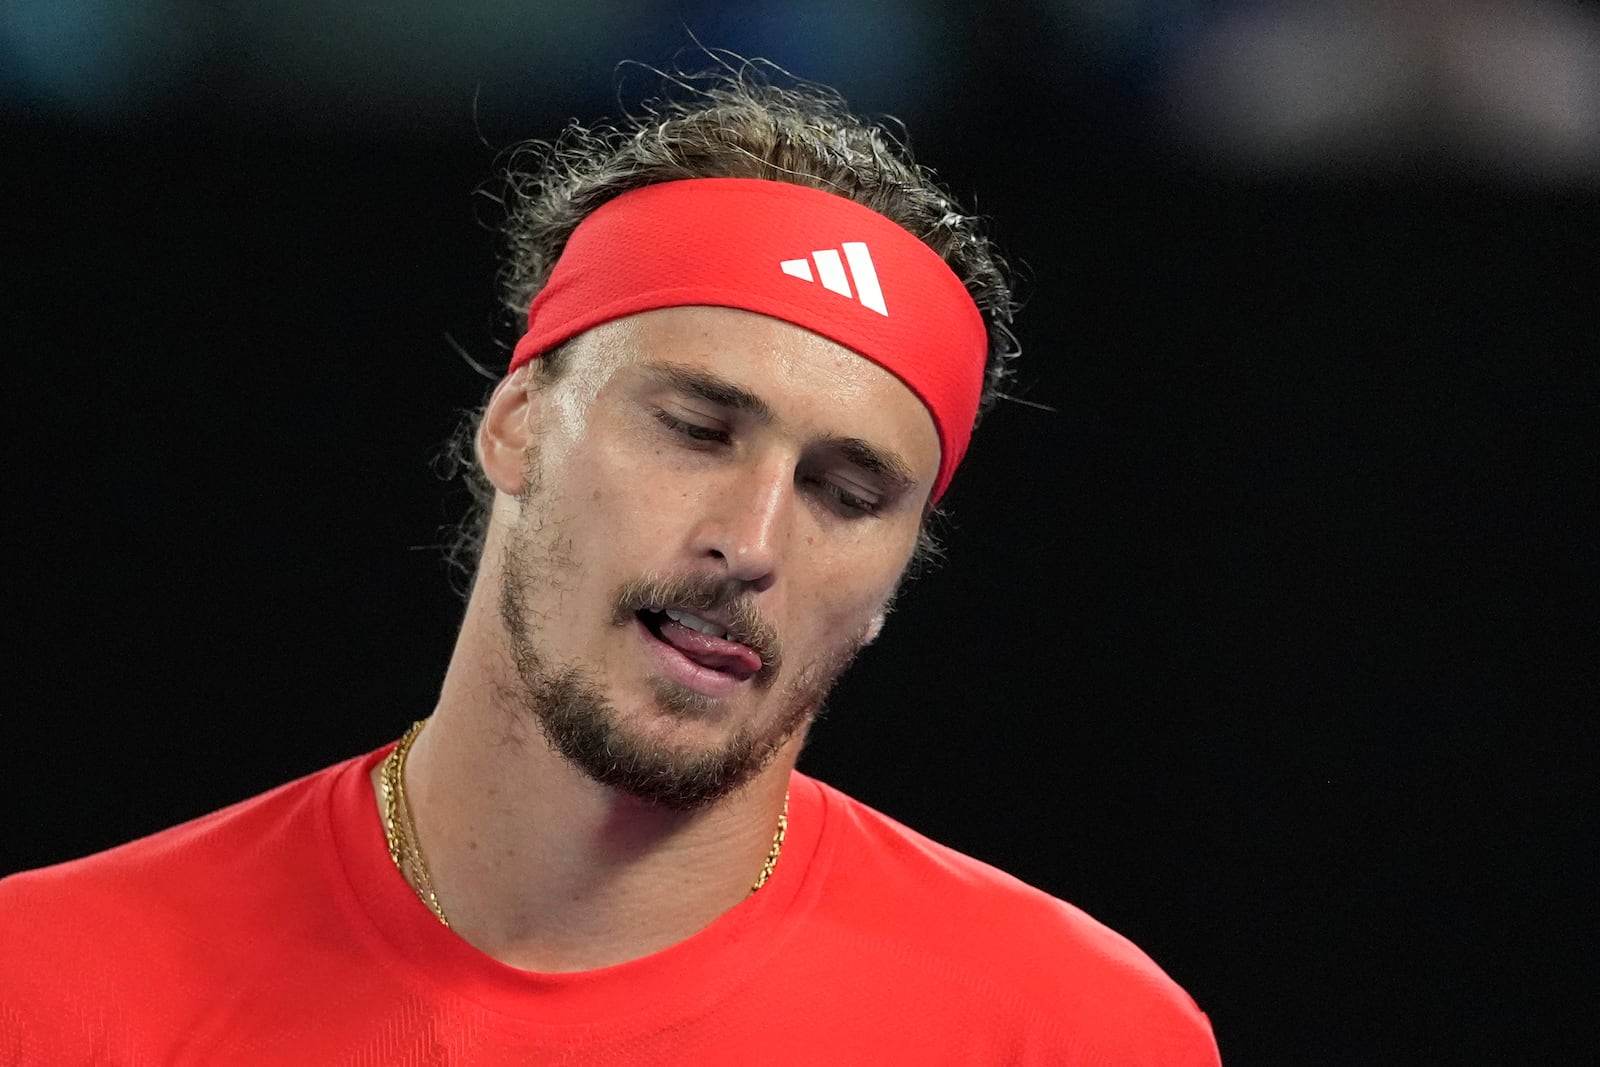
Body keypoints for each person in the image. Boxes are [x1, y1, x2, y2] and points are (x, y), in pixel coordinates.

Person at [0, 61, 1221, 1064]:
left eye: (846, 494)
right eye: (694, 429)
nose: (749, 543)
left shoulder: (1077, 1034)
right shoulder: (48, 989)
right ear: (518, 420)